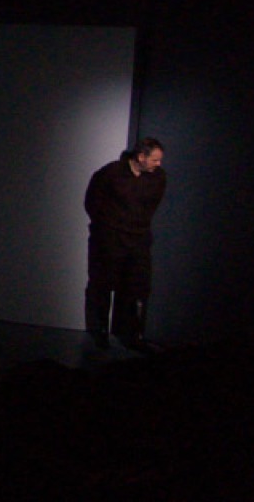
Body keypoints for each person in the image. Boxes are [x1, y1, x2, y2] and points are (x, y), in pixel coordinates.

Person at [84, 137, 167, 352]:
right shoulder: (110, 173)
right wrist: (108, 228)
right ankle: (99, 332)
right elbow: (92, 202)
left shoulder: (158, 177)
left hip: (138, 240)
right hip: (109, 240)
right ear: (141, 157)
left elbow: (150, 206)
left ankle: (131, 334)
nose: (159, 164)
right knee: (103, 284)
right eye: (155, 160)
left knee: (137, 286)